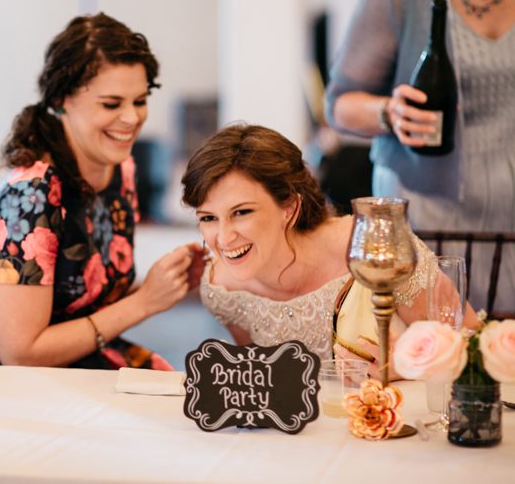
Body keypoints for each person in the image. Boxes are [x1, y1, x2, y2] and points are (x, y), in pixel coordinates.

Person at [0, 13, 205, 370]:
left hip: (84, 361)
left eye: (140, 100)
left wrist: (167, 284)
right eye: (111, 104)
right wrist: (144, 301)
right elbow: (20, 355)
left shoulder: (121, 170)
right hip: (20, 383)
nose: (132, 118)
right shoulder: (30, 195)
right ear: (62, 99)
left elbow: (90, 305)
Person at [181, 123, 478, 379]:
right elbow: (261, 386)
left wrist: (406, 368)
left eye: (242, 212)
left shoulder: (374, 246)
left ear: (289, 208)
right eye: (208, 218)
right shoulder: (223, 288)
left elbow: (472, 348)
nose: (224, 238)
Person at [325, 0, 515, 318]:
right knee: (436, 342)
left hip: (510, 223)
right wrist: (389, 113)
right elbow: (339, 105)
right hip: (427, 221)